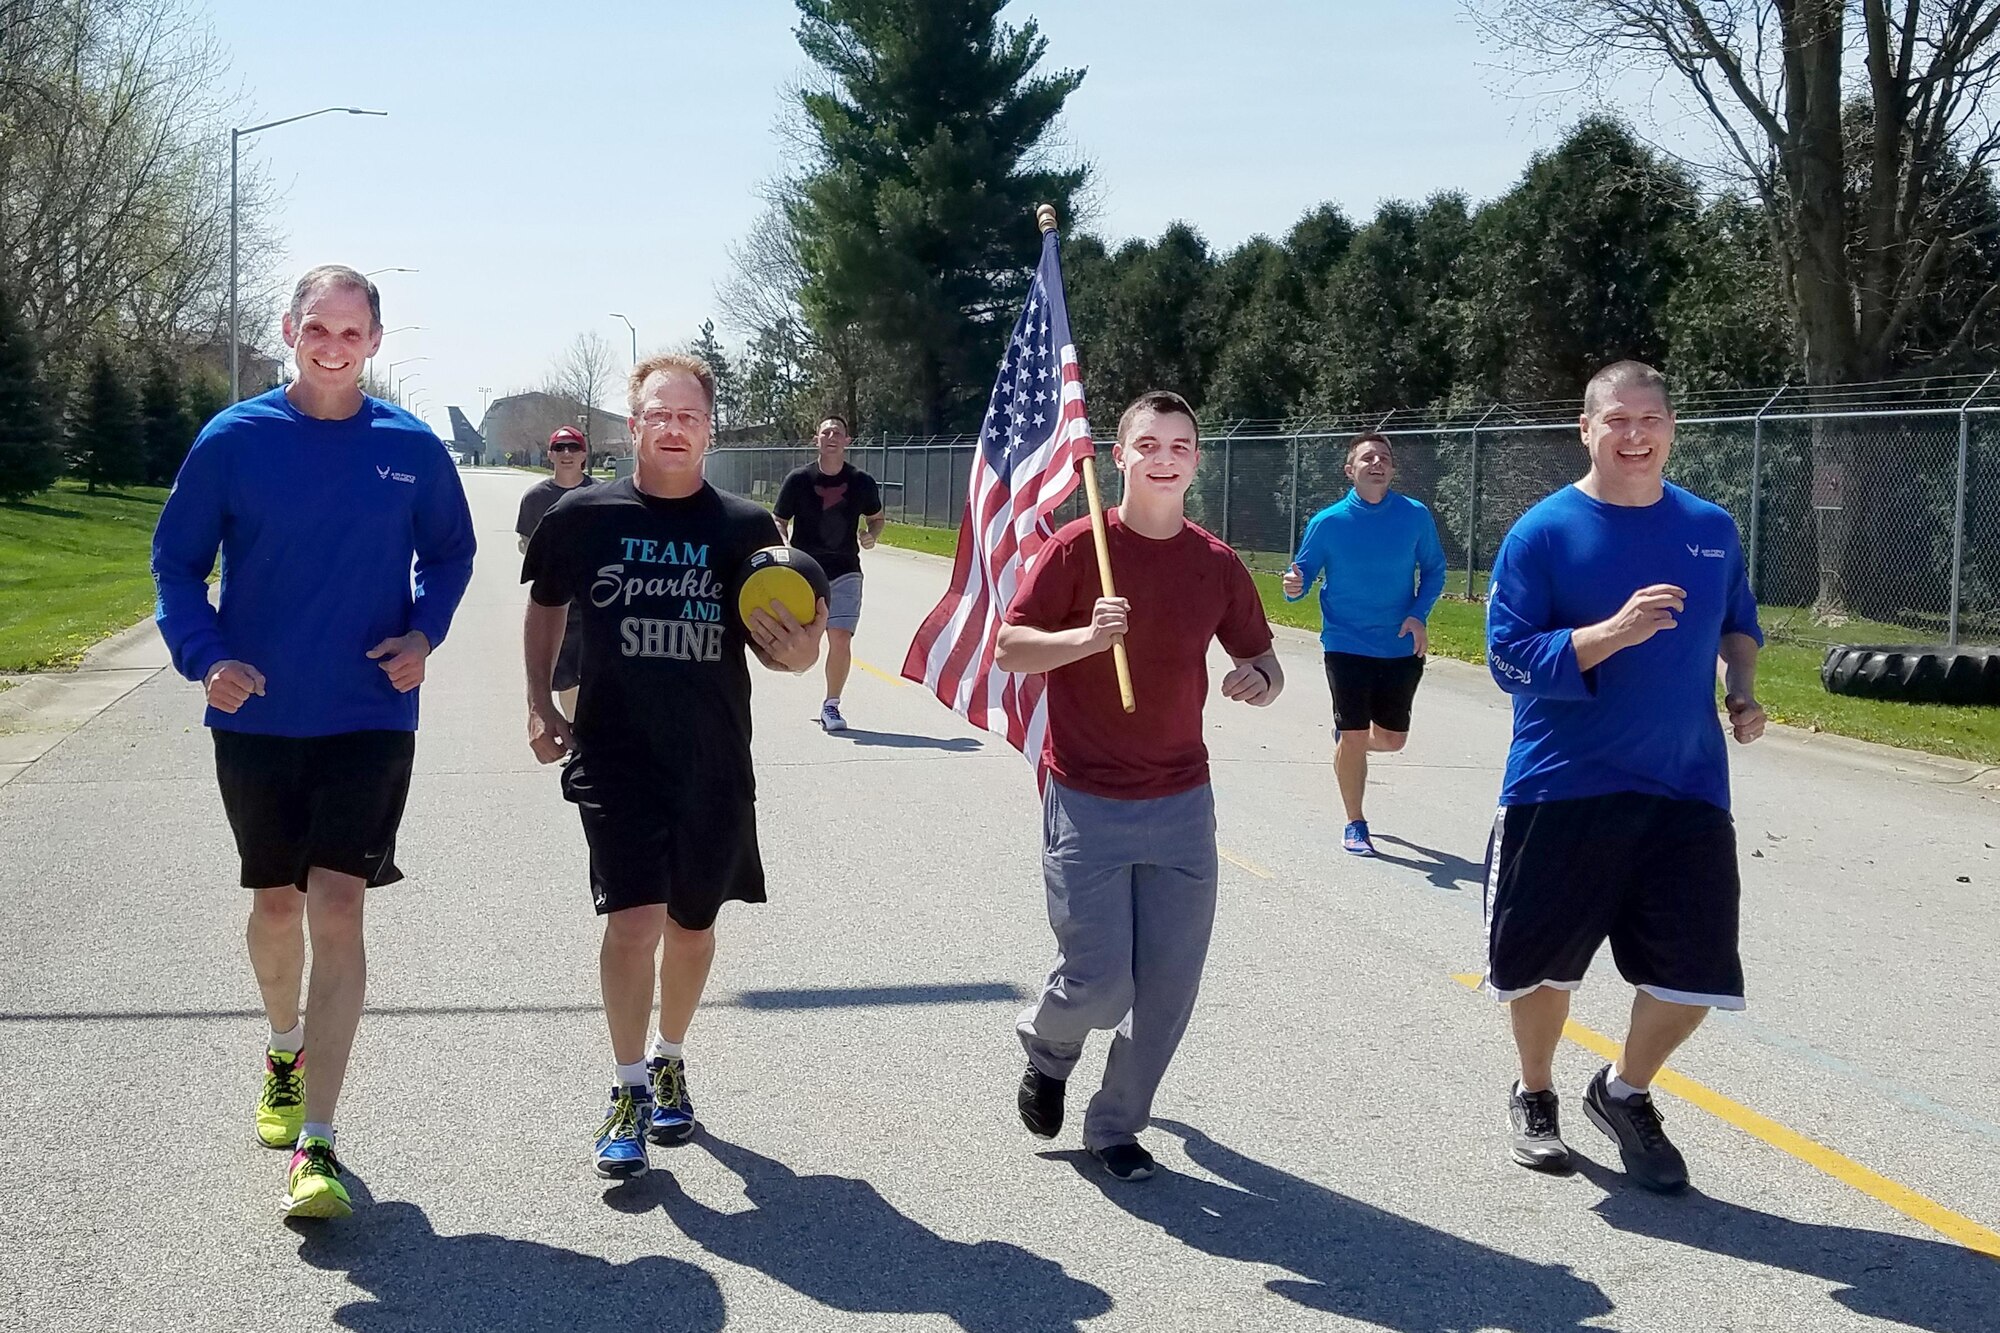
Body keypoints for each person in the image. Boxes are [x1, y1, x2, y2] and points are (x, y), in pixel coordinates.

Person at [151, 264, 476, 1219]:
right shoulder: (235, 438)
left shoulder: (410, 448)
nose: (333, 346)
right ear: (290, 332)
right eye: (317, 329)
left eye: (352, 331)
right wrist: (203, 655)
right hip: (257, 712)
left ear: (375, 340)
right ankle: (283, 1045)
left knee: (339, 903)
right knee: (277, 904)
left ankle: (319, 1143)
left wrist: (426, 633)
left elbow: (452, 555)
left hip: (372, 710)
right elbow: (176, 563)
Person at [521, 353, 826, 1181]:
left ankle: (669, 1057)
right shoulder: (583, 516)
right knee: (633, 923)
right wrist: (541, 704)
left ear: (709, 427)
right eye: (659, 412)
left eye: (689, 414)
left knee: (693, 926)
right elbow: (545, 601)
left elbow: (785, 647)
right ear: (633, 423)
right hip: (615, 753)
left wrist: (802, 657)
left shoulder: (746, 527)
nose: (674, 426)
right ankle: (624, 1087)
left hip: (712, 757)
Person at [1484, 359, 1766, 1193]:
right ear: (1586, 429)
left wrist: (1741, 692)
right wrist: (1610, 631)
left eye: (1650, 419)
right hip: (1562, 781)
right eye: (1617, 420)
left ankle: (1623, 1090)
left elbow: (1737, 625)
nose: (1634, 435)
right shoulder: (1543, 531)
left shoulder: (1712, 528)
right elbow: (1507, 657)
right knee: (1539, 969)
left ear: (1672, 428)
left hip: (1686, 788)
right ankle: (1535, 1093)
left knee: (1695, 978)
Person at [998, 390, 1283, 1183]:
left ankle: (1116, 1124)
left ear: (1197, 458)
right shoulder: (1074, 548)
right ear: (1117, 457)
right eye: (1148, 444)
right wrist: (1085, 638)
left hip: (1183, 801)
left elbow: (1263, 658)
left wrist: (1259, 679)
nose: (1164, 457)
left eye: (1180, 445)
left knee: (1164, 991)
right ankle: (1051, 1047)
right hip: (1087, 796)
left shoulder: (1215, 562)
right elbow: (1010, 647)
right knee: (1099, 980)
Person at [1283, 433, 1446, 856]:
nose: (1377, 463)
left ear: (1392, 470)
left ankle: (1348, 745)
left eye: (1385, 458)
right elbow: (1299, 580)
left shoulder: (1414, 516)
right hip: (1345, 643)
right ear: (1350, 470)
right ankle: (1356, 822)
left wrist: (1418, 614)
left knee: (1392, 740)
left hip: (1398, 644)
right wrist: (1293, 585)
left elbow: (1433, 569)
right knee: (1356, 734)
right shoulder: (1329, 522)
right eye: (1367, 457)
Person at [773, 415, 884, 732]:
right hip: (804, 571)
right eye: (826, 432)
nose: (832, 436)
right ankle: (801, 661)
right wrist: (781, 539)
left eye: (838, 432)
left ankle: (831, 705)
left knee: (840, 637)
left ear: (847, 441)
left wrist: (872, 534)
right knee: (804, 640)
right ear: (816, 439)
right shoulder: (799, 480)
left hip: (846, 569)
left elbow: (876, 518)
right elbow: (779, 518)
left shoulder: (861, 481)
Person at [516, 425, 597, 718]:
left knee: (597, 673)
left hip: (596, 600)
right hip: (555, 602)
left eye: (573, 447)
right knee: (565, 678)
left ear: (584, 454)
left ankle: (593, 738)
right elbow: (526, 545)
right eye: (560, 448)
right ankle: (578, 741)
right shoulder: (535, 498)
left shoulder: (601, 494)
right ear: (550, 454)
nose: (566, 454)